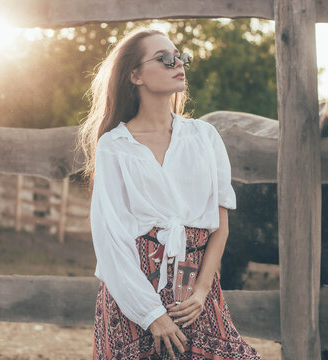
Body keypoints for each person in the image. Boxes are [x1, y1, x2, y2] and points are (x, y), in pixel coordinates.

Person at [77, 27, 262, 360]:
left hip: (192, 289)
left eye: (181, 57)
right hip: (133, 291)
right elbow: (110, 239)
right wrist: (151, 314)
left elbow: (219, 226)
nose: (178, 64)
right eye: (164, 59)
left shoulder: (205, 137)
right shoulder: (115, 147)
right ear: (135, 75)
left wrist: (202, 291)